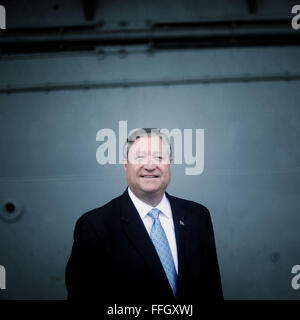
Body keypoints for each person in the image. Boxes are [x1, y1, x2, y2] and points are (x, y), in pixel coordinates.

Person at [65, 128, 223, 302]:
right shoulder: (94, 226)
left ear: (169, 164)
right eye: (139, 158)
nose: (149, 166)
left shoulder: (198, 216)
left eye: (158, 157)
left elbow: (212, 290)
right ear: (126, 165)